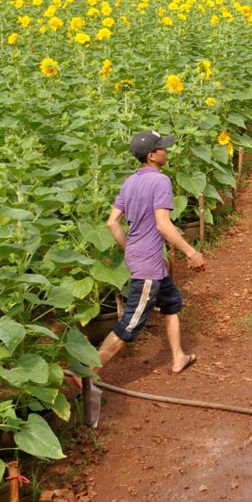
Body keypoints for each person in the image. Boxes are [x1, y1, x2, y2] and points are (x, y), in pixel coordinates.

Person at [78, 130, 206, 426]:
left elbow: (112, 223)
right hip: (149, 262)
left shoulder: (131, 181)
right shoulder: (160, 181)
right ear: (152, 155)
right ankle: (87, 374)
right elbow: (163, 225)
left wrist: (131, 248)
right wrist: (190, 252)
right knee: (131, 323)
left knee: (172, 303)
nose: (166, 151)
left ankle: (178, 357)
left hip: (143, 257)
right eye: (163, 148)